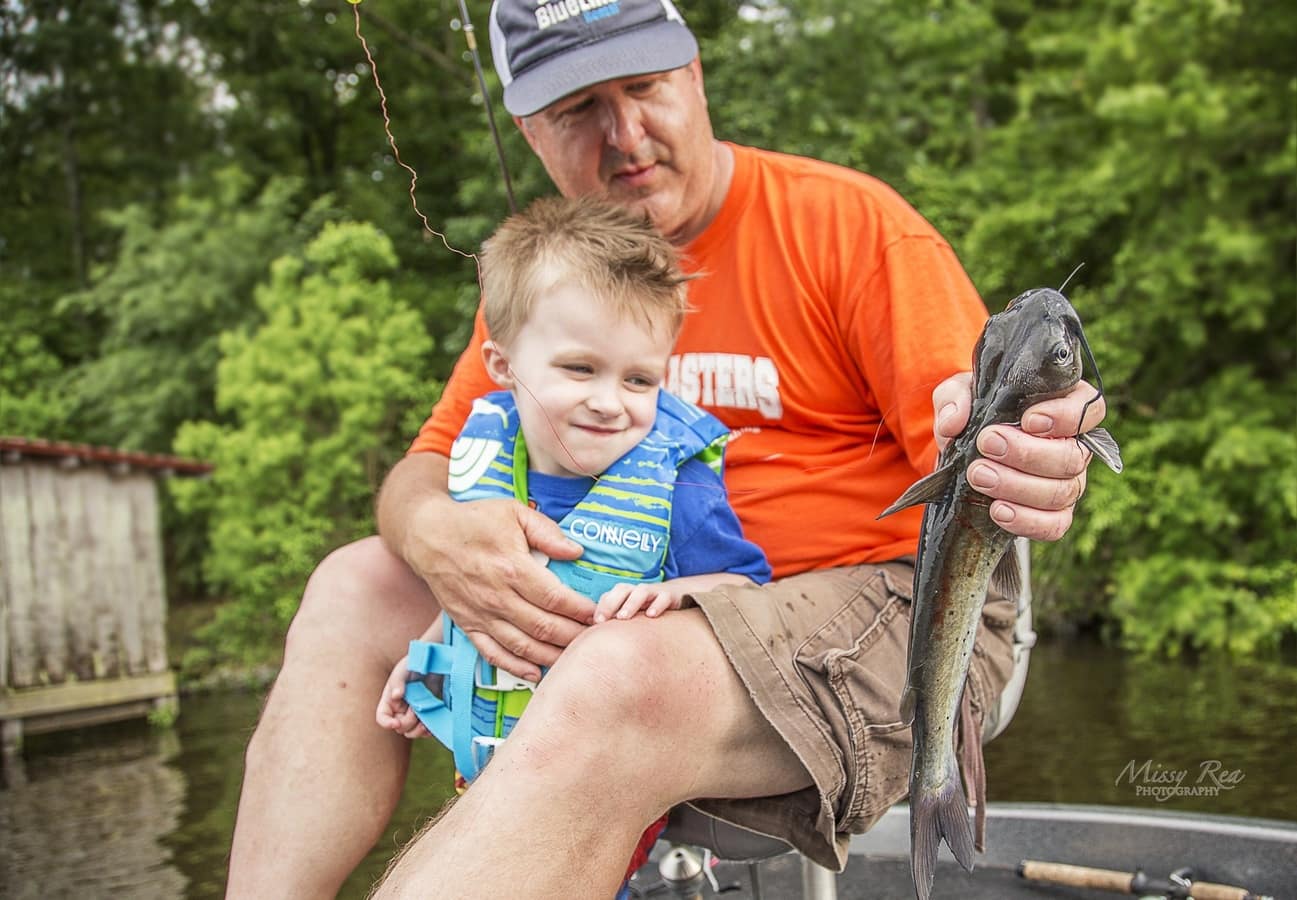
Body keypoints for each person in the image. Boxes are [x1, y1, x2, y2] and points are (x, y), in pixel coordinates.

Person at [224, 2, 1106, 897]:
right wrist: (431, 535)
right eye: (577, 109)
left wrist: (1033, 458)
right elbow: (428, 462)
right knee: (352, 585)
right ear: (530, 132)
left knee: (618, 674)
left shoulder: (851, 227)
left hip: (885, 610)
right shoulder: (565, 279)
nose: (626, 134)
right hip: (621, 601)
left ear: (693, 76)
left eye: (643, 86)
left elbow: (982, 437)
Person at [373, 195, 770, 888]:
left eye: (639, 378)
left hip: (606, 776)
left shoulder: (676, 486)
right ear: (500, 365)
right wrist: (424, 659)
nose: (610, 401)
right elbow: (472, 597)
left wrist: (679, 592)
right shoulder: (483, 465)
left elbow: (745, 587)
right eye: (580, 369)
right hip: (491, 752)